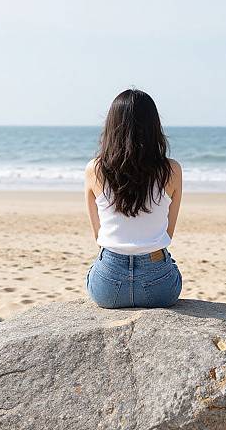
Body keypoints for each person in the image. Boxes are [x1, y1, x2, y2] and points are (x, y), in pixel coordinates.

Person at [84, 88, 183, 308]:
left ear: (111, 126)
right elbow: (167, 233)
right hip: (159, 286)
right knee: (172, 265)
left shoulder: (95, 169)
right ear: (154, 127)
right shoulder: (172, 171)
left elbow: (98, 235)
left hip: (108, 287)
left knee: (92, 271)